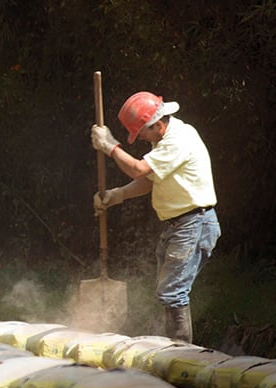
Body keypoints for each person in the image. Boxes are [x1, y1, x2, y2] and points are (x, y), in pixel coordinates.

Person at [91, 91, 220, 343]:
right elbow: (149, 180)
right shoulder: (162, 139)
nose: (140, 139)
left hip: (194, 222)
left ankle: (182, 355)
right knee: (168, 291)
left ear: (158, 125)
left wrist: (110, 147)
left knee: (172, 292)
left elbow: (139, 169)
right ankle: (173, 347)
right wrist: (117, 195)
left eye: (141, 134)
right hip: (180, 223)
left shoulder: (178, 140)